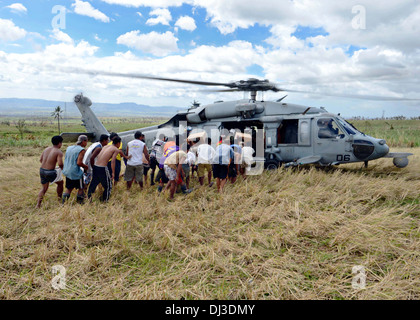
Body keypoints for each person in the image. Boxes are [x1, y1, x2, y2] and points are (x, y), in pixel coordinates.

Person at [88, 136, 125, 202]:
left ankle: (89, 199)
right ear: (118, 143)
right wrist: (113, 173)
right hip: (102, 168)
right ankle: (105, 200)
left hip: (96, 166)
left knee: (93, 184)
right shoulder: (116, 149)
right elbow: (113, 161)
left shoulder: (105, 146)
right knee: (108, 186)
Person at [36, 135, 64, 208]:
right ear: (59, 143)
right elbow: (60, 163)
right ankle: (60, 200)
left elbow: (41, 160)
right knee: (60, 183)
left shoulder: (46, 149)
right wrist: (62, 169)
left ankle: (38, 204)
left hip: (42, 170)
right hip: (50, 172)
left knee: (44, 188)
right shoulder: (58, 152)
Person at [62, 135, 89, 204]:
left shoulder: (69, 147)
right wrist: (86, 166)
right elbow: (79, 162)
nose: (86, 144)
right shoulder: (81, 150)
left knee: (69, 188)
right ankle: (80, 202)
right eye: (86, 142)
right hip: (75, 172)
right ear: (83, 141)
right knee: (81, 187)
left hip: (67, 171)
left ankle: (64, 202)